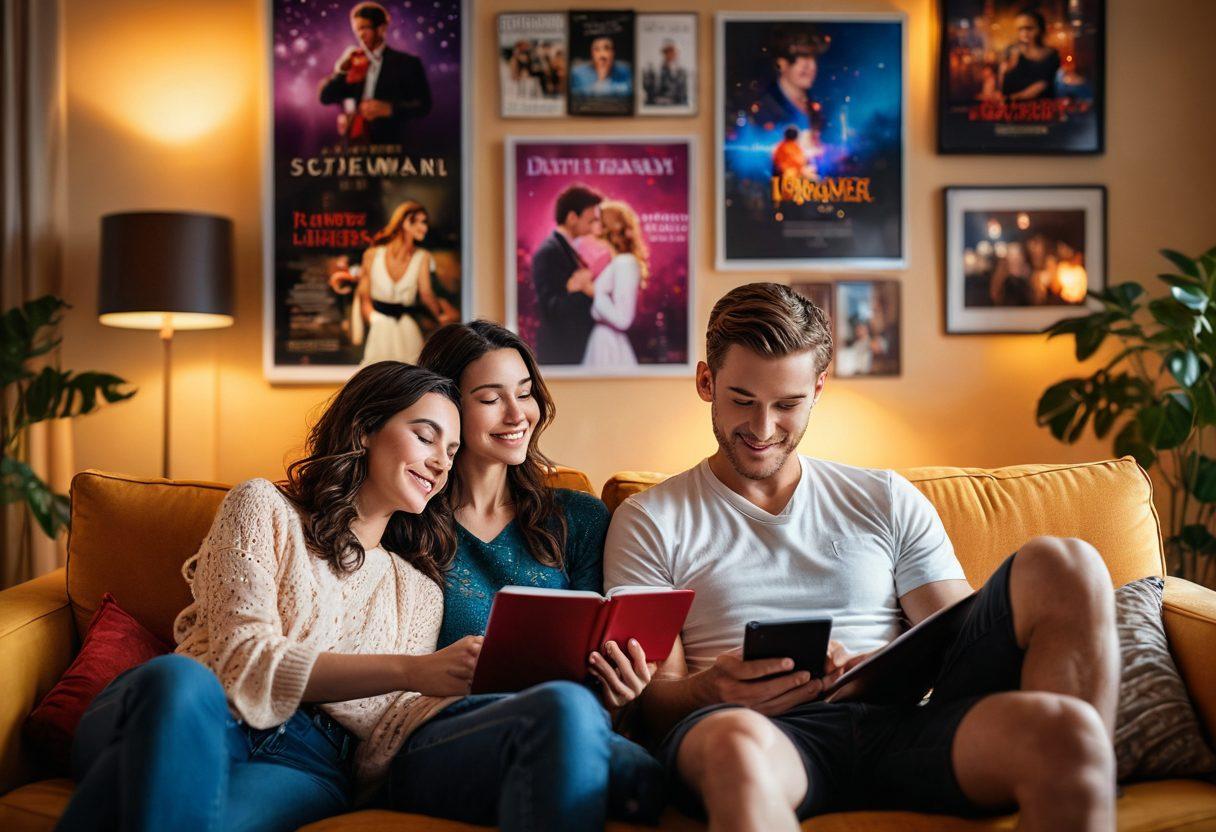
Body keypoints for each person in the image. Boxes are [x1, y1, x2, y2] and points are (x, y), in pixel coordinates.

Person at [605, 282, 1120, 831]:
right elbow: (653, 703)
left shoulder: (884, 497)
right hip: (758, 734)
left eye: (787, 404)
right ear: (707, 381)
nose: (762, 428)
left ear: (819, 388)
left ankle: (1089, 765)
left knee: (1070, 572)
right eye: (742, 400)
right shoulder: (650, 520)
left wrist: (879, 671)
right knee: (733, 743)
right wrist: (711, 689)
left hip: (903, 726)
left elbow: (953, 641)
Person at [56, 362, 479, 831]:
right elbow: (245, 660)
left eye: (453, 450)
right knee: (178, 680)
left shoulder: (419, 591)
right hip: (195, 707)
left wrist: (491, 683)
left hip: (303, 758)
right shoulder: (261, 507)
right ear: (363, 431)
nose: (442, 461)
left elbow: (388, 726)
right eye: (426, 436)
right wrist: (414, 671)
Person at [398, 320, 666, 827]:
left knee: (648, 774)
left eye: (525, 393)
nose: (518, 414)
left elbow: (599, 653)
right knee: (582, 732)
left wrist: (624, 691)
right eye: (490, 398)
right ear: (447, 406)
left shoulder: (578, 519)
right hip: (444, 733)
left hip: (575, 725)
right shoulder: (405, 517)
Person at [357, 201, 457, 366]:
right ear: (405, 222)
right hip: (381, 327)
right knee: (382, 375)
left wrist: (441, 316)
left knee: (410, 377)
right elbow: (364, 297)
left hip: (405, 327)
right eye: (422, 222)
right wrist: (375, 320)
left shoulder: (422, 256)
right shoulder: (372, 254)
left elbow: (426, 294)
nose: (425, 228)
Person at [318, 2, 432, 144]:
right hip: (354, 144)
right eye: (357, 29)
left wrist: (390, 109)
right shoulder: (353, 61)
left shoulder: (408, 63)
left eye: (364, 28)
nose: (360, 35)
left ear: (382, 28)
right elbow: (326, 97)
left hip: (393, 145)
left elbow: (424, 106)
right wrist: (341, 70)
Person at [530, 184, 601, 364]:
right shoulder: (549, 252)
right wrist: (587, 292)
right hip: (561, 352)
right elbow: (552, 308)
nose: (594, 228)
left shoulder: (565, 248)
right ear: (572, 218)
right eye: (590, 221)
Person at [579, 200, 648, 368]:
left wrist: (595, 293)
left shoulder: (625, 263)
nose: (591, 223)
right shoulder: (618, 261)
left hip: (609, 346)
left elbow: (623, 319)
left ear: (607, 226)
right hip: (603, 341)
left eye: (597, 220)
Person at [999, 8, 1061, 102]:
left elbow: (1044, 84)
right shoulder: (1012, 51)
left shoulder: (1051, 54)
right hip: (1013, 108)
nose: (1024, 33)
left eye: (1029, 28)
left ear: (1040, 28)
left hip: (1042, 107)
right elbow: (1002, 83)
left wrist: (1015, 97)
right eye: (1020, 29)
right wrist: (1010, 65)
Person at [643, 39, 689, 107]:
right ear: (664, 53)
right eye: (668, 51)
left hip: (677, 106)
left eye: (673, 51)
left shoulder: (681, 71)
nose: (671, 54)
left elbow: (683, 93)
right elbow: (649, 89)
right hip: (657, 105)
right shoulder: (654, 70)